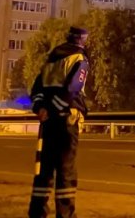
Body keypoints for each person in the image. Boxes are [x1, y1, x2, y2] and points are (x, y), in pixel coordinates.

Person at [28, 26, 89, 218]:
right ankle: (65, 214)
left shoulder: (50, 59)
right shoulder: (79, 59)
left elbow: (36, 88)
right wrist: (54, 109)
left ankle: (37, 212)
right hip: (66, 120)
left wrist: (41, 108)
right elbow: (73, 89)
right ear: (81, 39)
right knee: (66, 170)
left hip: (47, 121)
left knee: (44, 170)